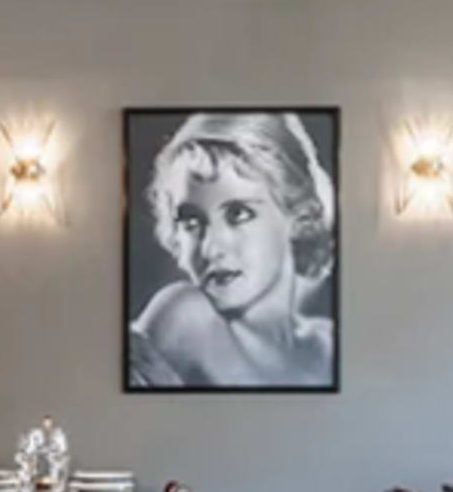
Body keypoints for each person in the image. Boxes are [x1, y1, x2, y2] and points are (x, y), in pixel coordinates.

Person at [128, 111, 336, 389]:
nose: (210, 247)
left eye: (238, 214)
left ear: (298, 217)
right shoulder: (185, 317)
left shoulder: (327, 342)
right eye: (191, 221)